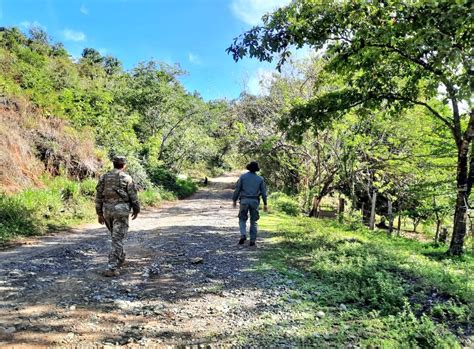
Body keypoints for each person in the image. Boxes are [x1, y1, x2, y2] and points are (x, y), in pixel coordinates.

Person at [95, 156, 140, 276]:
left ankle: (120, 258)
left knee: (115, 237)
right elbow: (133, 197)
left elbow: (99, 196)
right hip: (120, 211)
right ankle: (113, 268)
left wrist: (99, 213)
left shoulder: (104, 177)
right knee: (117, 239)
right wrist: (136, 209)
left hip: (107, 211)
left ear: (113, 164)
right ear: (124, 165)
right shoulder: (126, 178)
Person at [232, 161, 268, 247]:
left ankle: (243, 234)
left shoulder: (243, 177)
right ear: (257, 169)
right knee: (254, 221)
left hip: (244, 201)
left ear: (248, 167)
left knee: (242, 219)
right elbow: (263, 192)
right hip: (254, 201)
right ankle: (252, 240)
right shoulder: (260, 179)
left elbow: (238, 189)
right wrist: (265, 204)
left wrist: (234, 200)